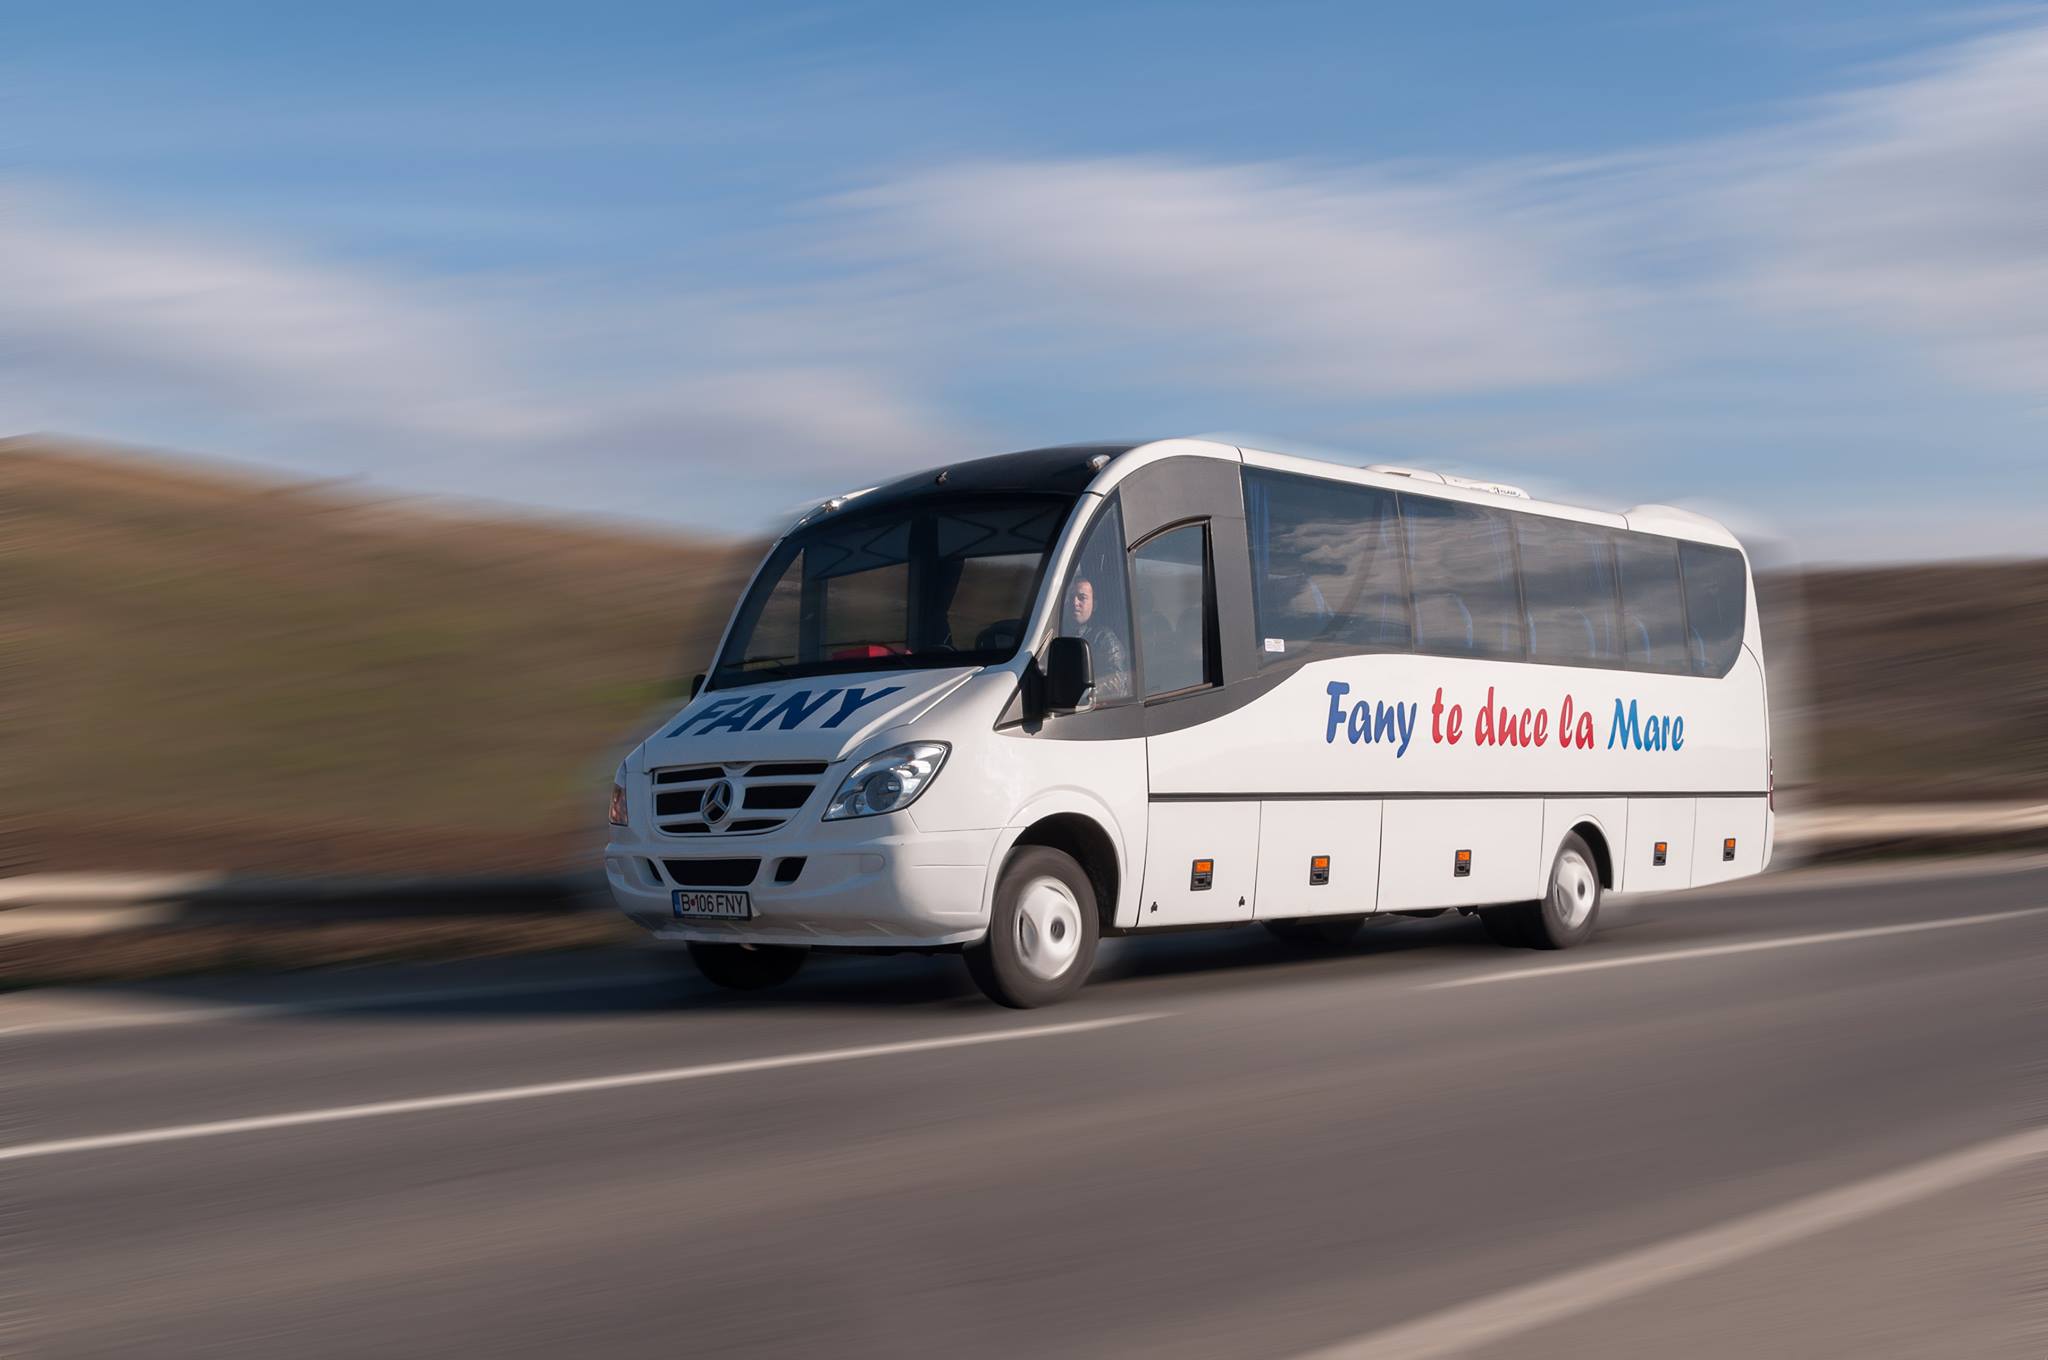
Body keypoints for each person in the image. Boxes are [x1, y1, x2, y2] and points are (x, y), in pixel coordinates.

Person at [1067, 575, 1131, 701]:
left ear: (1094, 605)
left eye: (1082, 598)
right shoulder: (1057, 633)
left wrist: (1081, 694)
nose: (1075, 603)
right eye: (1071, 597)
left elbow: (1117, 683)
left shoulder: (1104, 639)